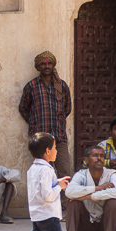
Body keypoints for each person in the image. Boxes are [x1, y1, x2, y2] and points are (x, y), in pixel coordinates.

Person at [19, 52, 72, 207]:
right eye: (43, 64)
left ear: (53, 65)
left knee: (64, 172)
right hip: (40, 140)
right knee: (44, 174)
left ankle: (65, 207)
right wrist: (35, 123)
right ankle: (46, 206)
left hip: (59, 137)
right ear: (38, 66)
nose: (46, 66)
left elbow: (67, 108)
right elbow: (23, 108)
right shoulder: (31, 86)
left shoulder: (61, 86)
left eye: (49, 64)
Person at [66, 145, 116, 231]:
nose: (99, 158)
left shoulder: (112, 174)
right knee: (73, 202)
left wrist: (87, 197)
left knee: (112, 202)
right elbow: (69, 192)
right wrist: (97, 188)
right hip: (85, 227)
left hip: (107, 226)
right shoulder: (81, 175)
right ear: (86, 160)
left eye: (102, 156)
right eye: (95, 156)